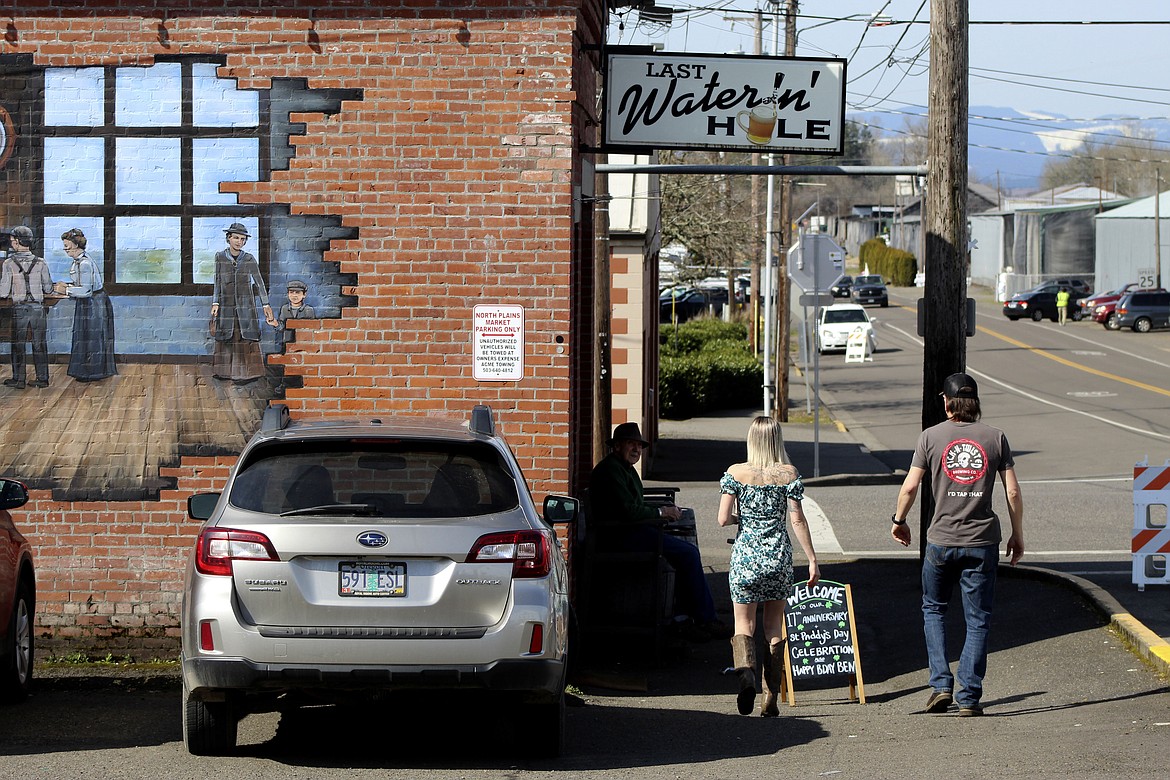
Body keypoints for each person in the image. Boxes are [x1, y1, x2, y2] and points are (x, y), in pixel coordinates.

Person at [890, 372, 1024, 717]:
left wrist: (899, 521)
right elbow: (1011, 490)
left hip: (940, 540)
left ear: (947, 402)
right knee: (978, 619)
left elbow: (909, 487)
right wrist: (1017, 532)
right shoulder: (996, 437)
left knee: (933, 610)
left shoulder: (930, 437)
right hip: (982, 542)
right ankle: (968, 696)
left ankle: (940, 684)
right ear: (974, 404)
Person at [588, 422, 730, 641]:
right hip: (620, 536)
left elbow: (635, 505)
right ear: (617, 446)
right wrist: (662, 512)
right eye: (630, 444)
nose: (636, 449)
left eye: (639, 445)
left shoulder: (624, 468)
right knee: (688, 554)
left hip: (632, 530)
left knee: (683, 548)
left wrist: (662, 512)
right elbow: (627, 511)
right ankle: (705, 619)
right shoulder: (610, 471)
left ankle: (684, 618)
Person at [717, 416, 820, 716]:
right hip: (778, 557)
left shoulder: (735, 473)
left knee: (743, 625)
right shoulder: (788, 474)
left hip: (746, 558)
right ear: (777, 440)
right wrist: (812, 558)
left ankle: (746, 675)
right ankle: (770, 695)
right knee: (773, 626)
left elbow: (723, 519)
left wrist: (744, 520)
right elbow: (797, 519)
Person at [210, 223, 273, 384]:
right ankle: (223, 372)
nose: (239, 241)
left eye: (242, 239)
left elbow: (259, 282)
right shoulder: (220, 257)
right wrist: (215, 302)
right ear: (228, 238)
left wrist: (265, 304)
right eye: (236, 238)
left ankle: (247, 373)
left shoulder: (249, 259)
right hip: (226, 305)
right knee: (226, 335)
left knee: (245, 336)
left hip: (246, 306)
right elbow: (217, 281)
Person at [56, 228, 117, 382]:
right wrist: (69, 286)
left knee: (92, 338)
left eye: (67, 246)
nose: (65, 250)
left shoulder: (84, 263)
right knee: (84, 338)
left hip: (94, 304)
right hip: (87, 303)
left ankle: (93, 372)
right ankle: (86, 371)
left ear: (76, 246)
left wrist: (66, 289)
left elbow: (86, 290)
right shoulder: (78, 262)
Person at [0, 226, 56, 389]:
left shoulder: (9, 263)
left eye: (12, 241)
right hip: (38, 308)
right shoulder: (41, 262)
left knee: (18, 344)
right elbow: (48, 289)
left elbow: (3, 292)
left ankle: (19, 379)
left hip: (20, 308)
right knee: (39, 344)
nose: (11, 244)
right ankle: (42, 378)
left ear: (17, 242)